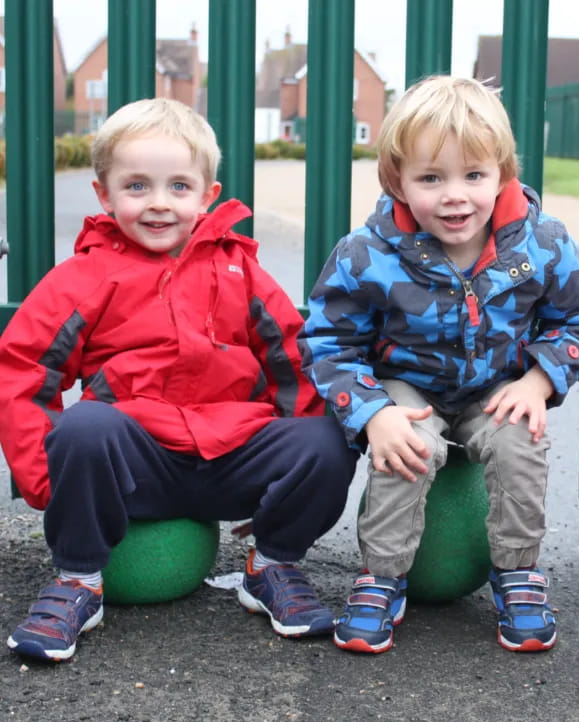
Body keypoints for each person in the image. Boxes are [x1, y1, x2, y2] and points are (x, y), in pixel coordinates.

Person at [0, 98, 358, 662]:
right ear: (104, 194)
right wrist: (43, 475)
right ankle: (78, 579)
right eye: (137, 187)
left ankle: (273, 565)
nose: (159, 204)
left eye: (179, 187)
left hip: (232, 451)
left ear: (207, 195)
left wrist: (287, 484)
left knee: (327, 439)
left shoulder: (238, 270)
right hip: (136, 459)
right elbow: (25, 369)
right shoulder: (83, 278)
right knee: (85, 427)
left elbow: (289, 361)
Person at [301, 75, 579, 654]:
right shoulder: (367, 253)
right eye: (430, 178)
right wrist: (372, 413)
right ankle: (383, 577)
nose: (455, 196)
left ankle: (517, 572)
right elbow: (327, 341)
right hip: (408, 386)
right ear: (398, 181)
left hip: (496, 389)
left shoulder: (539, 242)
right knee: (407, 441)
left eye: (474, 175)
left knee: (521, 438)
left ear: (502, 173)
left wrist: (539, 380)